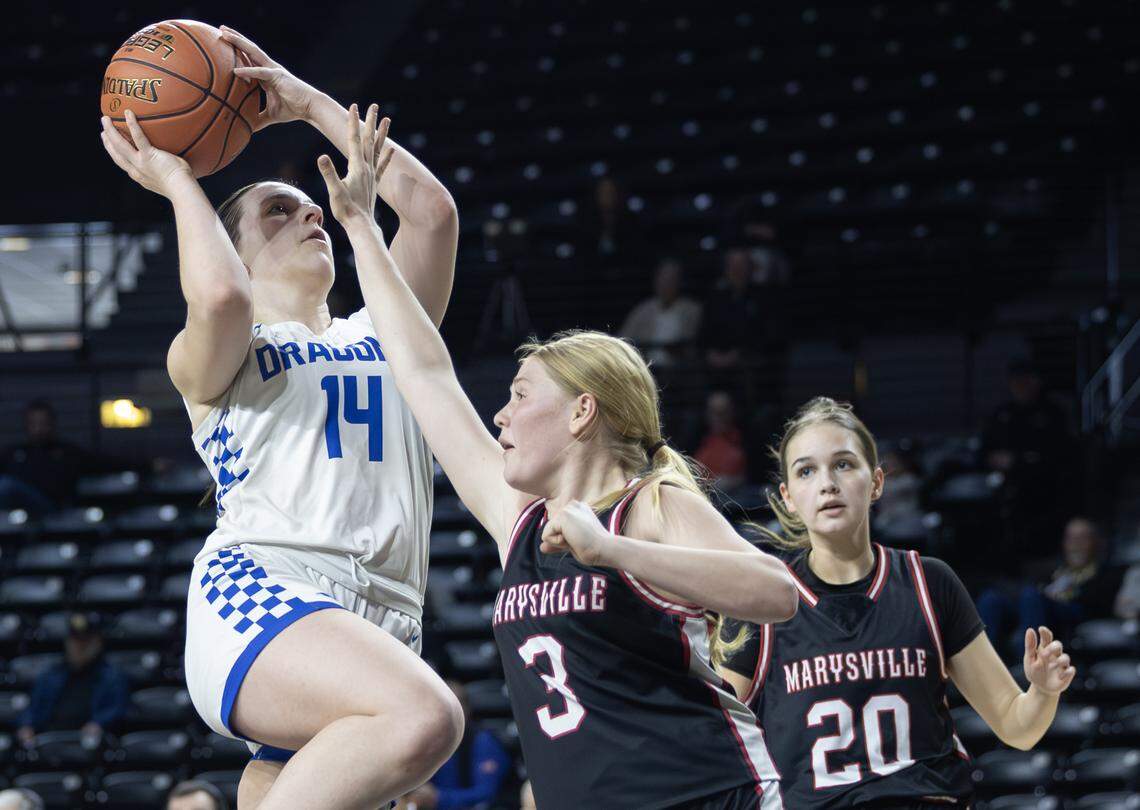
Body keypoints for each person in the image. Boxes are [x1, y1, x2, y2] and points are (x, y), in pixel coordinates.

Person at [317, 104, 798, 809]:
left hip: (709, 796)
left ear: (582, 411)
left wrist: (614, 553)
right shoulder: (519, 518)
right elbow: (422, 372)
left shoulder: (651, 505)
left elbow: (777, 593)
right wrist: (361, 227)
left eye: (519, 395)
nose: (501, 415)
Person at [98, 26, 464, 810]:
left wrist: (305, 104)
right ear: (231, 249)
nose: (311, 216)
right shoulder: (223, 351)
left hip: (381, 620)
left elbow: (430, 213)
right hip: (268, 590)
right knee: (426, 714)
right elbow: (222, 295)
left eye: (312, 210)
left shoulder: (386, 331)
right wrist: (177, 179)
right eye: (277, 211)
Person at [718, 398, 1076, 808]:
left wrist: (1044, 691)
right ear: (789, 496)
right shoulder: (761, 600)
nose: (827, 483)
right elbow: (717, 745)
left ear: (877, 482)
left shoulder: (930, 582)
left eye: (844, 464)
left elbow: (1017, 727)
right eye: (806, 471)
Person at [977, 517, 1120, 653]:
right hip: (1040, 609)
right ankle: (982, 663)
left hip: (1075, 611)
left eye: (1082, 538)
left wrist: (1061, 594)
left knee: (1031, 596)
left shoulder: (1105, 573)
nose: (1076, 544)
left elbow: (1099, 603)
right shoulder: (1054, 570)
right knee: (991, 599)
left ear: (1095, 543)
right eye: (1071, 539)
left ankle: (1030, 664)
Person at [16, 613, 128, 747]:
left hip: (91, 744)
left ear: (97, 642)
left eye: (85, 641)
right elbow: (33, 709)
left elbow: (117, 711)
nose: (79, 647)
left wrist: (99, 724)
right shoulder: (50, 675)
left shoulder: (112, 677)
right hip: (50, 741)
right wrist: (27, 727)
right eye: (75, 640)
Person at [402, 680, 512, 809]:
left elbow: (487, 793)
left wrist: (439, 798)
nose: (444, 714)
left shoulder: (483, 742)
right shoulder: (426, 741)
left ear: (465, 709)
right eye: (439, 707)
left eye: (452, 707)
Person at [0, 401, 95, 513]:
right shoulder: (15, 453)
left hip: (53, 506)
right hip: (18, 510)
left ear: (52, 424)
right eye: (33, 423)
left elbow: (100, 463)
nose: (38, 428)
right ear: (26, 425)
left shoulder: (67, 452)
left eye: (43, 423)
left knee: (6, 485)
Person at [618, 258, 702, 368]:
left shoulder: (692, 310)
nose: (666, 284)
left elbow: (693, 346)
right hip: (645, 369)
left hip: (680, 371)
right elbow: (623, 340)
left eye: (671, 280)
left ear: (679, 282)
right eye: (663, 279)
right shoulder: (642, 310)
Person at [693, 391, 750, 492]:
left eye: (723, 412)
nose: (719, 418)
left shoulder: (747, 442)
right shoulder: (695, 441)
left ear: (733, 412)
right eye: (714, 412)